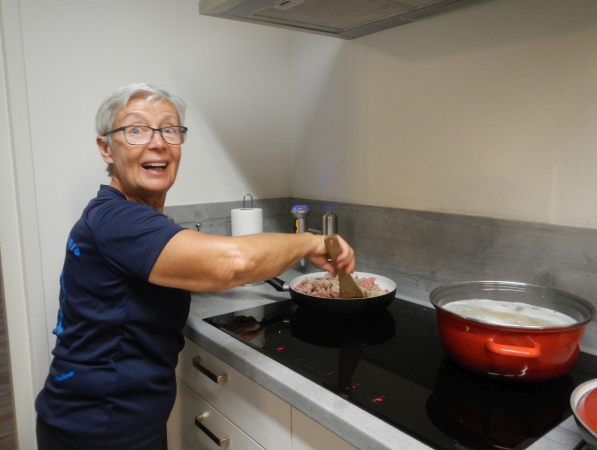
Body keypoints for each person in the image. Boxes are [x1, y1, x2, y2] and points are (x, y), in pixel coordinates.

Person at [34, 83, 356, 450]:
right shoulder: (118, 220)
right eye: (136, 130)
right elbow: (230, 263)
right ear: (106, 148)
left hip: (112, 418)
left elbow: (144, 296)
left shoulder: (125, 215)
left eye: (169, 129)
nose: (157, 142)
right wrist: (315, 241)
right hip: (99, 429)